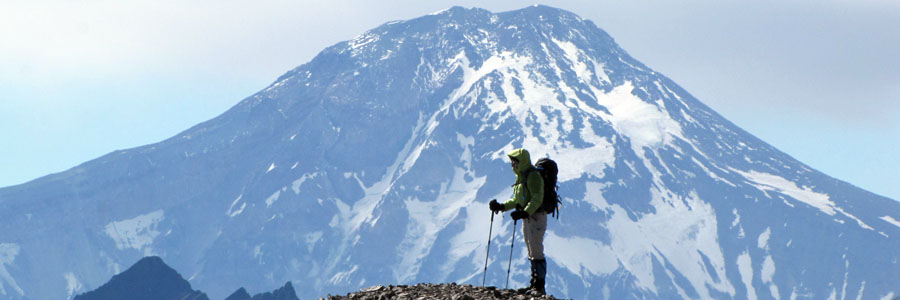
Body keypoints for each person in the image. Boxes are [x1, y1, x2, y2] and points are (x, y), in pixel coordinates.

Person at [489, 148, 547, 295]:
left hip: (536, 217)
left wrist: (525, 212)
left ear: (522, 162)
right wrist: (502, 206)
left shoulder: (533, 176)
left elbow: (537, 197)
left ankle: (539, 287)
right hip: (528, 217)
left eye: (514, 162)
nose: (512, 165)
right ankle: (534, 285)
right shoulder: (521, 178)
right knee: (531, 249)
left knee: (536, 249)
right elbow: (517, 200)